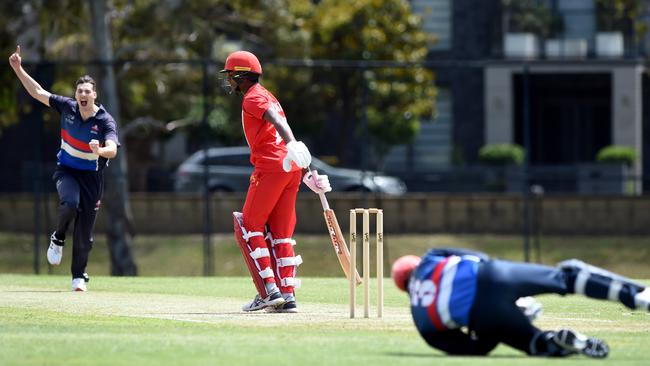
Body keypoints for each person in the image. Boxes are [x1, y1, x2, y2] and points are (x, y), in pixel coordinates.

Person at [391, 247, 650, 358]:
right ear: (415, 264)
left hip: (482, 315)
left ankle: (555, 341)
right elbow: (479, 256)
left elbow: (476, 349)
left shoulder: (421, 319)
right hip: (493, 274)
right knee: (565, 277)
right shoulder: (430, 257)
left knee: (534, 345)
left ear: (405, 290)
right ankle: (637, 296)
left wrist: (494, 327)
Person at [221, 50, 328, 313]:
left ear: (241, 76)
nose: (229, 81)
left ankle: (269, 291)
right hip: (290, 168)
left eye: (231, 76)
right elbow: (282, 127)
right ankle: (288, 295)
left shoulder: (253, 98)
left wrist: (293, 145)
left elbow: (278, 122)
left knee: (248, 226)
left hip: (271, 166)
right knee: (281, 233)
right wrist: (308, 170)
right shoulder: (269, 95)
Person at [9, 45, 119, 292]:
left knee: (84, 235)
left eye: (87, 91)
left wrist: (99, 151)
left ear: (94, 95)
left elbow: (112, 148)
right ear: (76, 94)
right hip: (67, 171)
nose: (83, 94)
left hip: (92, 178)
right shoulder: (67, 106)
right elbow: (37, 92)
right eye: (79, 90)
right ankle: (58, 237)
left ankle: (78, 276)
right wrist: (18, 69)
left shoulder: (104, 120)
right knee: (69, 203)